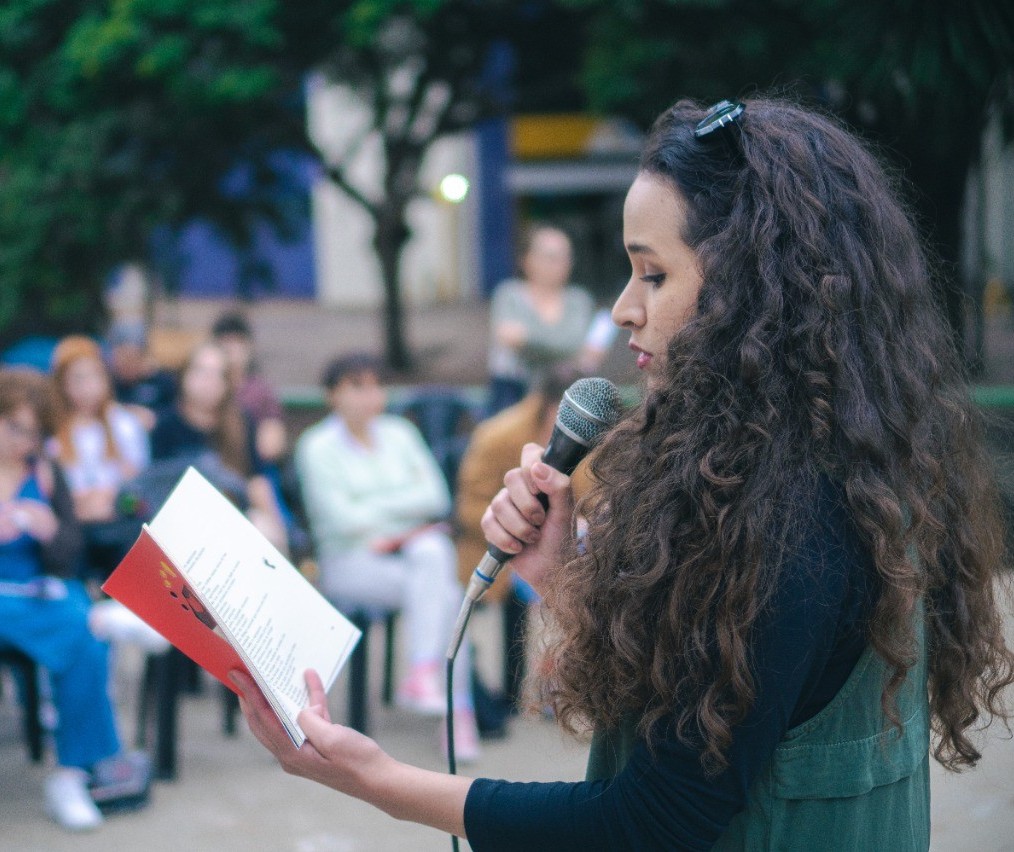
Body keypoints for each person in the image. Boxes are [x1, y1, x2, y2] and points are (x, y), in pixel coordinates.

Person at [231, 97, 1014, 849]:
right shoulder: (840, 463)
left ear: (753, 287)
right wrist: (561, 574)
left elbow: (650, 823)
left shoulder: (796, 515)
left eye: (654, 274)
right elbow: (694, 709)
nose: (621, 308)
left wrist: (381, 781)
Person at [292, 352, 479, 759]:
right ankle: (456, 713)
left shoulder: (399, 433)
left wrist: (380, 521)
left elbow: (435, 495)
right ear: (332, 395)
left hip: (408, 558)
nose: (368, 396)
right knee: (445, 594)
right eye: (356, 386)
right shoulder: (317, 446)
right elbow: (341, 521)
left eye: (375, 385)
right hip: (349, 563)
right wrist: (401, 518)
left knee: (435, 558)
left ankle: (424, 672)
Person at [0, 368, 123, 831]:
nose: (24, 442)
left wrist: (48, 529)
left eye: (35, 433)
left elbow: (70, 553)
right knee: (77, 622)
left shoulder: (48, 474)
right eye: (15, 428)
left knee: (85, 633)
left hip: (36, 593)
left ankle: (73, 772)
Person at [455, 365, 594, 713]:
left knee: (588, 575)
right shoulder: (498, 435)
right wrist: (517, 522)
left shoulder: (597, 438)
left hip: (574, 542)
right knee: (540, 584)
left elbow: (599, 496)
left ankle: (562, 679)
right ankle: (534, 683)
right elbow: (469, 506)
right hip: (499, 544)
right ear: (552, 408)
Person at [149, 340, 288, 555]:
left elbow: (256, 480)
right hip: (184, 523)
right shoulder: (165, 426)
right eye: (201, 372)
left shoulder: (241, 422)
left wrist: (276, 526)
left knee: (265, 530)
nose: (208, 381)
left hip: (236, 516)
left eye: (217, 374)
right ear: (185, 376)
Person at [49, 335, 150, 578]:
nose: (88, 387)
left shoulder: (124, 424)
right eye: (78, 378)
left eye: (95, 376)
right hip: (73, 521)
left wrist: (112, 500)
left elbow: (140, 489)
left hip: (119, 518)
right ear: (61, 383)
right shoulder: (51, 432)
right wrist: (79, 504)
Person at [486, 225, 595, 416]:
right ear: (527, 260)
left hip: (564, 400)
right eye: (551, 257)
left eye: (566, 257)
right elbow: (576, 347)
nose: (561, 264)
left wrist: (528, 340)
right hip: (513, 398)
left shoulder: (579, 300)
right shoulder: (509, 294)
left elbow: (576, 344)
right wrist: (568, 352)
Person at [209, 310, 288, 466]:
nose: (230, 349)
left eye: (237, 342)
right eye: (224, 341)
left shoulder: (260, 391)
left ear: (248, 347)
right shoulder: (203, 390)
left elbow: (272, 445)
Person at [105, 320, 177, 431]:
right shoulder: (107, 381)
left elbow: (178, 414)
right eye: (120, 358)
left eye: (131, 358)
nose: (126, 364)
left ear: (143, 356)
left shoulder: (163, 382)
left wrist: (155, 418)